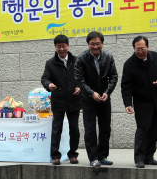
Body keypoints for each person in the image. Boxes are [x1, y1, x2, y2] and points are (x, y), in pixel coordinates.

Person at [120, 36, 157, 168]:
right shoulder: (129, 64)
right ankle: (139, 158)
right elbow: (126, 86)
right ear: (133, 49)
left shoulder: (156, 57)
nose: (140, 52)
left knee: (155, 130)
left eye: (142, 48)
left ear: (147, 47)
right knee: (142, 130)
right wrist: (128, 103)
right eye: (137, 49)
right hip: (142, 102)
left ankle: (149, 156)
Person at [74, 31, 118, 167]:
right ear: (88, 44)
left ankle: (102, 155)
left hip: (104, 99)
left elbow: (114, 77)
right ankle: (93, 158)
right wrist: (91, 93)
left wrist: (107, 92)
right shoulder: (81, 59)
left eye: (98, 44)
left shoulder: (109, 57)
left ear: (102, 43)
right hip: (88, 100)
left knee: (105, 128)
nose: (95, 46)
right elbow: (80, 80)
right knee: (90, 129)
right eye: (92, 44)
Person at [41, 34, 82, 165]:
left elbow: (83, 78)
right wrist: (49, 85)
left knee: (74, 129)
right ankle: (55, 156)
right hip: (58, 100)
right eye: (58, 46)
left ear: (68, 46)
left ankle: (73, 154)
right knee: (56, 128)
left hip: (74, 99)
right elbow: (45, 78)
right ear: (55, 47)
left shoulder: (77, 61)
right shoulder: (50, 63)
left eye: (63, 46)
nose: (61, 49)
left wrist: (79, 86)